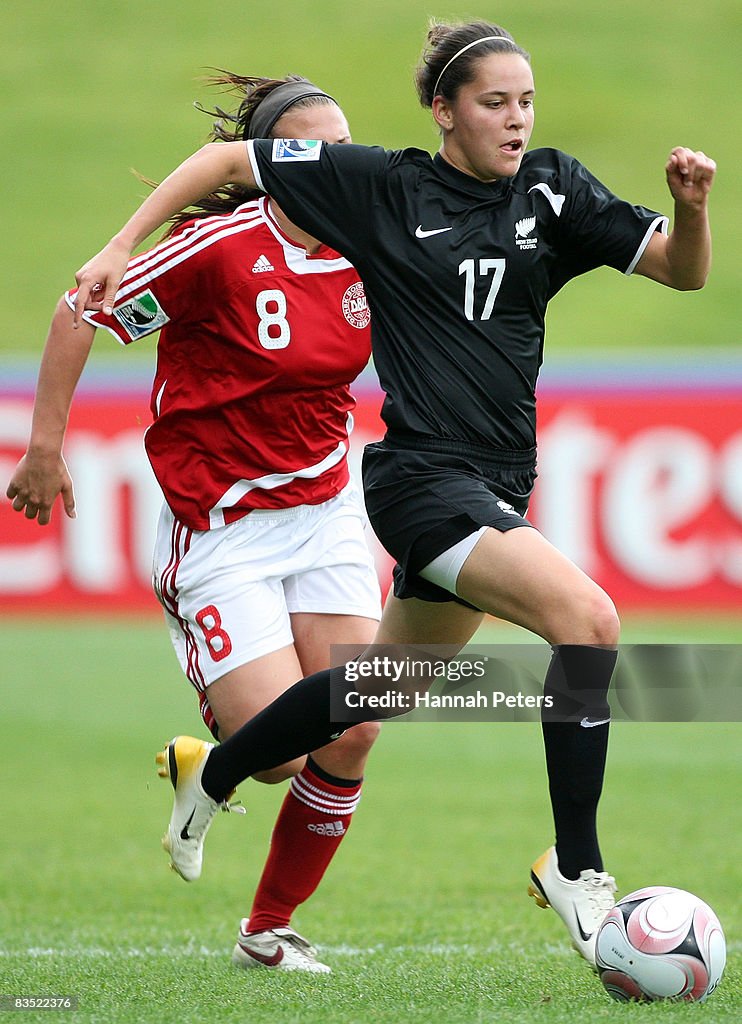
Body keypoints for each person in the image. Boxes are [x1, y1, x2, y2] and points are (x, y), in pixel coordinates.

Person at [64, 20, 715, 966]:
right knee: (590, 623)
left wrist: (689, 207)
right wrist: (121, 243)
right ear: (444, 111)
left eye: (526, 101)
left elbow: (682, 274)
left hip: (499, 479)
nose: (516, 120)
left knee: (368, 695)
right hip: (421, 482)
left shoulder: (554, 189)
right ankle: (578, 872)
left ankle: (214, 776)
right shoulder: (384, 187)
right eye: (494, 102)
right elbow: (226, 160)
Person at [6, 74, 385, 974]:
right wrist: (44, 450)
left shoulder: (373, 240)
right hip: (222, 530)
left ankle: (268, 929)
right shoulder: (214, 250)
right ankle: (206, 762)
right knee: (280, 761)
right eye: (308, 147)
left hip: (327, 511)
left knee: (357, 725)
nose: (335, 161)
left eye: (343, 141)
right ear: (268, 166)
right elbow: (81, 308)